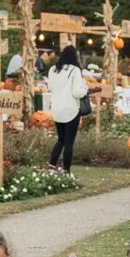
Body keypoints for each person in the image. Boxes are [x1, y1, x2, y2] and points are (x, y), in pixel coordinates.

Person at [47, 44, 89, 174]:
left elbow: (50, 87)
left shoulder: (53, 70)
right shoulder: (75, 70)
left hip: (57, 109)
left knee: (61, 139)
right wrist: (85, 88)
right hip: (71, 109)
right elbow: (77, 92)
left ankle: (52, 166)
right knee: (69, 142)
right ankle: (66, 169)